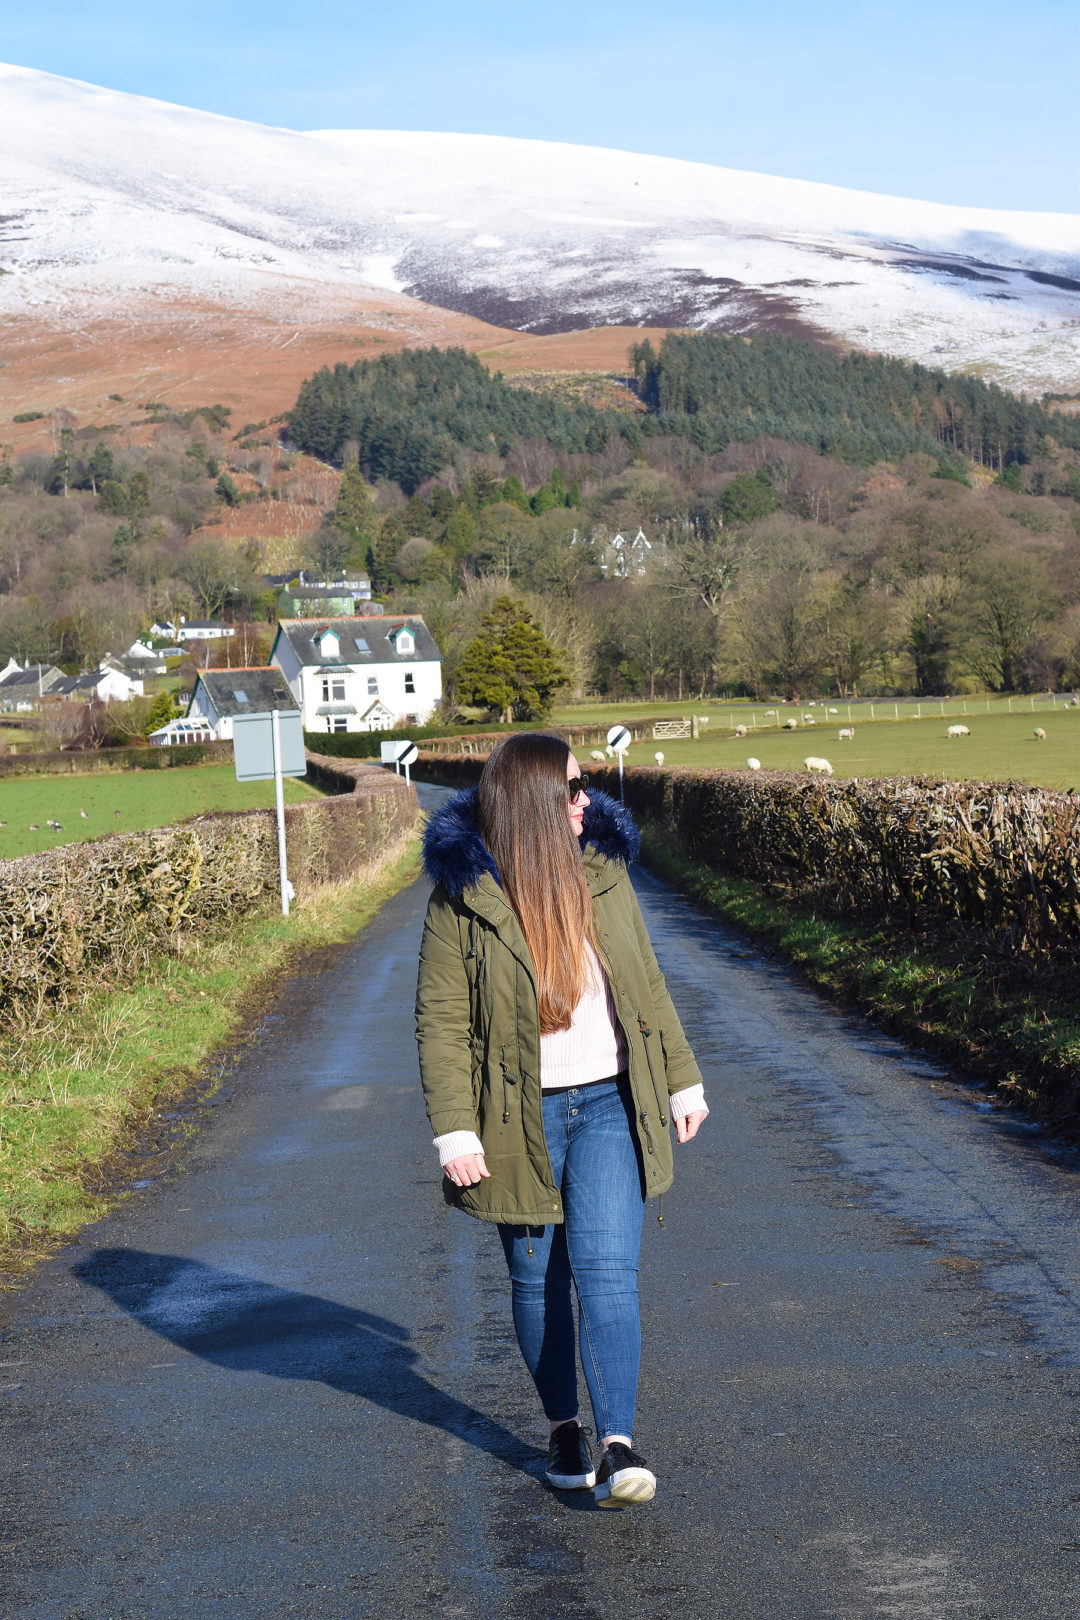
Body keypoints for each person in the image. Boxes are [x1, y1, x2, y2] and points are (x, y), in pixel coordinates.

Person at [415, 732, 707, 1508]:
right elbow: (440, 1020)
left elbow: (646, 984)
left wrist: (681, 1080)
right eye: (572, 790)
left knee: (609, 1270)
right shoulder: (465, 894)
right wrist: (455, 1130)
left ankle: (618, 1446)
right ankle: (565, 1429)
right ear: (535, 804)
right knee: (537, 1283)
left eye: (583, 787)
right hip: (514, 1118)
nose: (588, 801)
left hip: (611, 1101)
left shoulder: (605, 874)